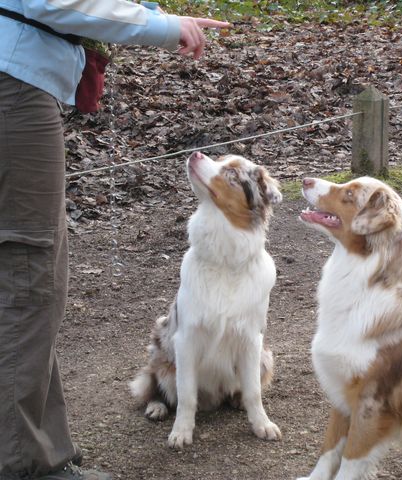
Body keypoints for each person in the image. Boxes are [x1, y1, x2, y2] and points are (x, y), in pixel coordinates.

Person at [0, 1, 230, 478]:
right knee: (27, 278)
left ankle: (37, 450)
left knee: (24, 275)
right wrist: (161, 26)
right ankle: (25, 465)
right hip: (13, 88)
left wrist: (145, 11)